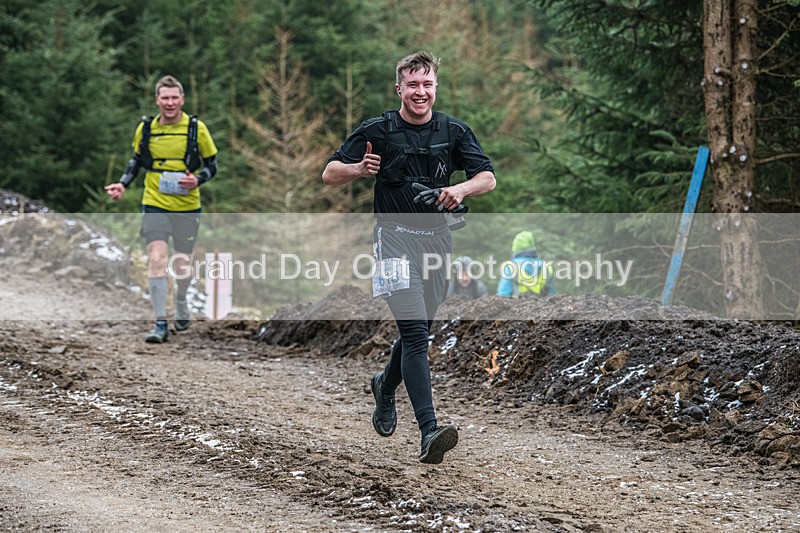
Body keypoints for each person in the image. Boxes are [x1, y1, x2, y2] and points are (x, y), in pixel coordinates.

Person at [322, 51, 495, 464]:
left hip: (438, 243)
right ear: (399, 88)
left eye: (427, 84)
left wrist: (461, 190)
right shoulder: (378, 130)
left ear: (436, 87)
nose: (421, 92)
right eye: (413, 85)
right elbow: (330, 173)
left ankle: (384, 384)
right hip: (393, 241)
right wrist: (359, 169)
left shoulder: (453, 130)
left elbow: (487, 176)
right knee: (417, 334)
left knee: (420, 328)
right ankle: (429, 429)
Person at [105, 75, 218, 343]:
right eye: (164, 98)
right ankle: (159, 322)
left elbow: (213, 164)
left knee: (181, 264)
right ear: (157, 100)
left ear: (182, 99)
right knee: (156, 258)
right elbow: (135, 161)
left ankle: (181, 298)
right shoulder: (146, 129)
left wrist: (198, 179)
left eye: (174, 98)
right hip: (154, 200)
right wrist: (122, 184)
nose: (169, 103)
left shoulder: (195, 128)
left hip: (188, 205)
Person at [496, 230, 555, 298]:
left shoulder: (510, 267)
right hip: (542, 307)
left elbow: (503, 295)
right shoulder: (547, 267)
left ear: (515, 247)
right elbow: (552, 297)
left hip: (515, 307)